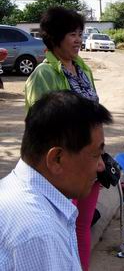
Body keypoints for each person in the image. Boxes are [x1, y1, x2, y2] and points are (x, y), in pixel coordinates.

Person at [0, 90, 112, 270]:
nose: (101, 166)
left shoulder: (12, 189)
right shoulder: (41, 233)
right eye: (96, 154)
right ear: (56, 159)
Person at [23, 6, 99, 271]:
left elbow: (94, 115)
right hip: (61, 169)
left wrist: (97, 157)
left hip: (89, 166)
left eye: (80, 33)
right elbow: (42, 128)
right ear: (55, 37)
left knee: (81, 227)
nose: (78, 39)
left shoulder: (82, 69)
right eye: (72, 34)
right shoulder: (43, 75)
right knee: (59, 230)